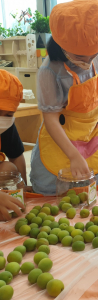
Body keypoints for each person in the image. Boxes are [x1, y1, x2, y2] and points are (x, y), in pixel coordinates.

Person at [30, 0, 98, 195]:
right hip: (61, 135)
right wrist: (73, 155)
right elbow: (51, 120)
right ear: (61, 45)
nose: (88, 62)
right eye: (80, 57)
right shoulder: (49, 71)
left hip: (91, 130)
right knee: (61, 186)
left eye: (93, 55)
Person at [0, 70, 26, 220]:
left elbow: (16, 156)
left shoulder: (6, 127)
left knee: (9, 169)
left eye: (8, 115)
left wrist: (23, 186)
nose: (2, 119)